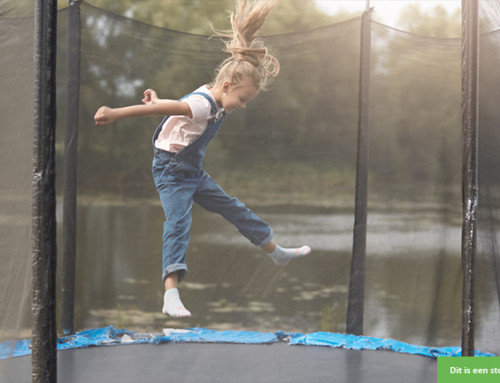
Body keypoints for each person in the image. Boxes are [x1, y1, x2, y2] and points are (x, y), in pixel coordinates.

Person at [94, 0, 311, 318]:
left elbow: (175, 104)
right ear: (226, 86)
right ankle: (170, 294)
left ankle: (275, 251)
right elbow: (167, 110)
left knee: (233, 208)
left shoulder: (213, 96)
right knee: (178, 223)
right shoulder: (204, 105)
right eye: (242, 99)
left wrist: (159, 98)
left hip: (191, 171)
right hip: (171, 172)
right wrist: (116, 112)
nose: (243, 105)